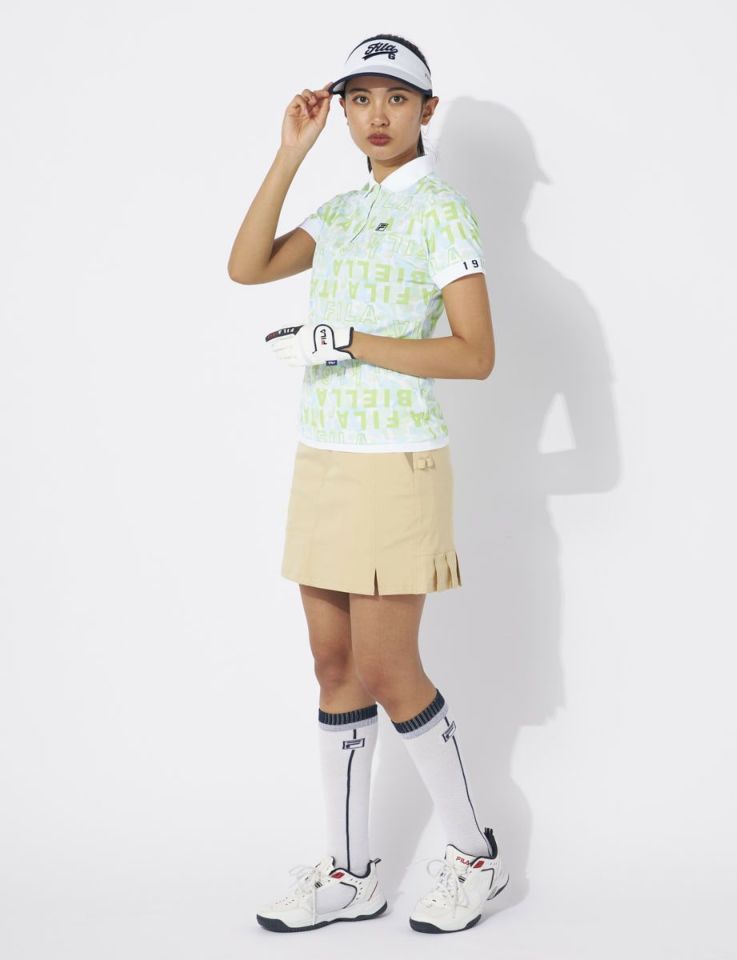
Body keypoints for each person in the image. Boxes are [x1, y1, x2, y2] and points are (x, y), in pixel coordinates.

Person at [228, 33, 506, 935]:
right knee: (335, 666)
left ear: (428, 110)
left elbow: (475, 354)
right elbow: (247, 266)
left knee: (388, 669)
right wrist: (290, 153)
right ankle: (352, 875)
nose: (376, 116)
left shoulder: (442, 211)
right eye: (359, 99)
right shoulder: (344, 208)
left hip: (398, 464)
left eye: (395, 98)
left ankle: (476, 855)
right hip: (325, 456)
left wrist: (350, 341)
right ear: (341, 110)